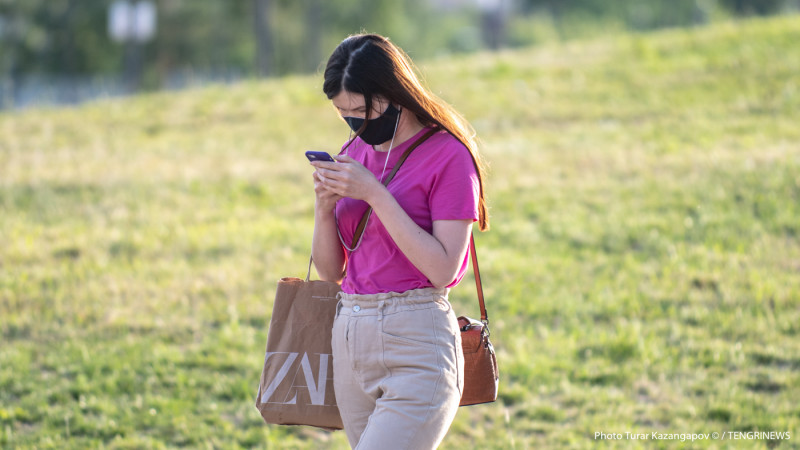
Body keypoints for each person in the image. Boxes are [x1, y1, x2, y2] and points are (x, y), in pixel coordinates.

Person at [309, 33, 489, 449]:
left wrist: (374, 193)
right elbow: (332, 272)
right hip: (351, 336)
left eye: (361, 109)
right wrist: (322, 207)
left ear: (393, 94)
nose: (355, 122)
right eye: (343, 113)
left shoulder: (449, 155)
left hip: (417, 343)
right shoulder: (353, 151)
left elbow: (443, 269)